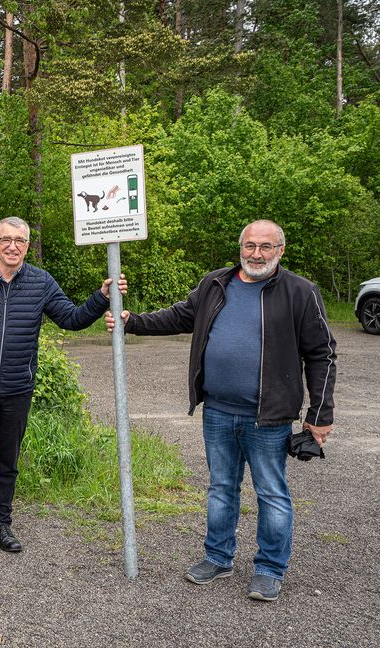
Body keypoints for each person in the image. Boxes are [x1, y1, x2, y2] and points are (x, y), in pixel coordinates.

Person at [107, 219, 336, 602]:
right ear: (240, 248)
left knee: (271, 493)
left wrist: (320, 413)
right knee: (221, 489)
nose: (256, 254)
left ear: (281, 250)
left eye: (265, 246)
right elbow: (180, 316)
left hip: (269, 416)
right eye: (250, 246)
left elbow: (322, 354)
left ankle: (269, 569)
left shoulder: (300, 291)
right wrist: (132, 322)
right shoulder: (217, 282)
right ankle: (218, 557)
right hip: (217, 411)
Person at [0, 216, 125, 558]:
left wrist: (100, 298)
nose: (13, 246)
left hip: (16, 388)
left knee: (7, 459)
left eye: (20, 241)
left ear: (27, 246)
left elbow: (72, 319)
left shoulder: (41, 282)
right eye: (6, 240)